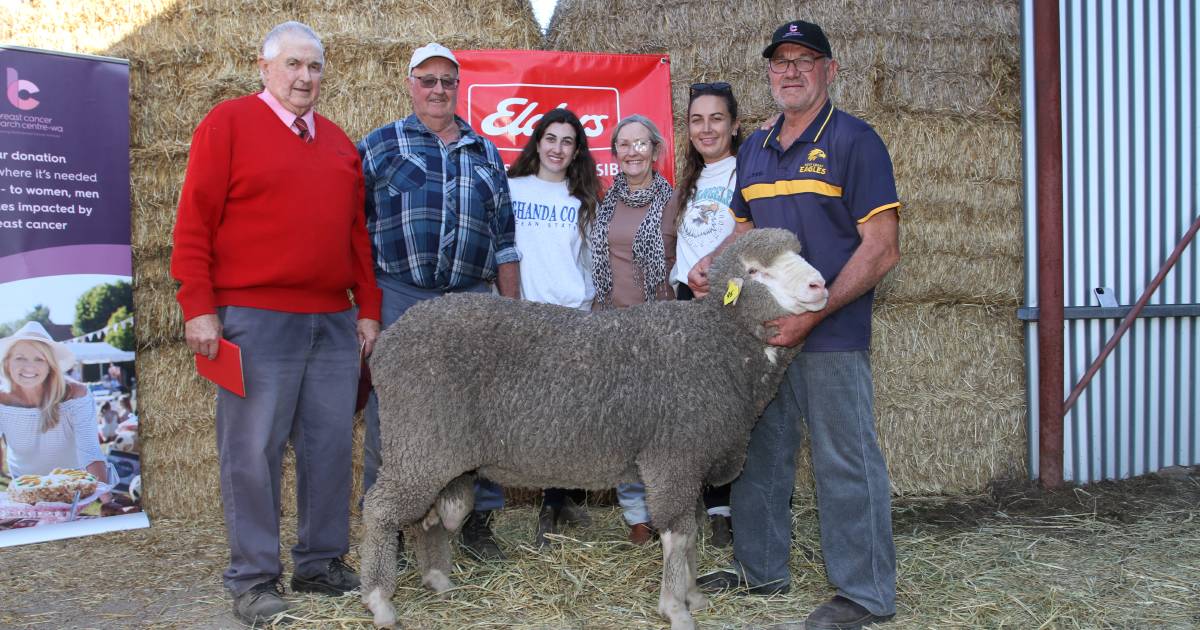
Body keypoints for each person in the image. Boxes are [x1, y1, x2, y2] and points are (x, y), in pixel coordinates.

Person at [170, 21, 382, 626]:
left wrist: (367, 310)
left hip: (331, 321)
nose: (304, 78)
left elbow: (355, 238)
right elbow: (194, 223)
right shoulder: (228, 124)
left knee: (328, 448)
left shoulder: (341, 142)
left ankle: (319, 562)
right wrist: (198, 307)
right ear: (264, 68)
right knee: (253, 451)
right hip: (255, 318)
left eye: (314, 67)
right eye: (292, 65)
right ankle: (254, 578)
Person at [690, 20, 900, 630]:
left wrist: (815, 313)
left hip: (830, 331)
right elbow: (745, 233)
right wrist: (714, 266)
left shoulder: (856, 141)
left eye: (804, 59)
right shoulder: (755, 147)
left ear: (829, 71)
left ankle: (864, 594)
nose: (790, 70)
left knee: (845, 457)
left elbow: (882, 247)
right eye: (780, 61)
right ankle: (760, 572)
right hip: (764, 338)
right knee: (761, 453)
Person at [358, 42, 519, 561]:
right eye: (427, 80)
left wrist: (511, 315)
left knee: (484, 411)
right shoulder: (380, 146)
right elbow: (352, 231)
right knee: (394, 414)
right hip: (401, 296)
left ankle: (478, 525)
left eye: (448, 80)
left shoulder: (485, 151)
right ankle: (388, 531)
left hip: (471, 298)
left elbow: (505, 241)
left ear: (459, 86)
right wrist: (364, 306)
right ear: (410, 84)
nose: (438, 89)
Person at [505, 108, 600, 546]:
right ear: (537, 142)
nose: (558, 148)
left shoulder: (583, 197)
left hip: (572, 319)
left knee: (570, 416)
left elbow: (589, 263)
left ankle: (557, 501)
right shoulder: (511, 189)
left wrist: (588, 311)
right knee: (533, 415)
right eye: (551, 138)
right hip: (525, 318)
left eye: (567, 141)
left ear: (576, 150)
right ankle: (547, 496)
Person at [590, 114, 678, 545]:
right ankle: (636, 516)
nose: (632, 152)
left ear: (655, 150)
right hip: (611, 328)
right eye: (624, 145)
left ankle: (667, 512)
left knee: (660, 428)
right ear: (615, 154)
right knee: (621, 428)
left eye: (640, 144)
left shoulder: (675, 201)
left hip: (658, 329)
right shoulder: (606, 203)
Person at [669, 80, 744, 548]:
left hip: (724, 302)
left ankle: (729, 510)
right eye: (697, 119)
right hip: (684, 304)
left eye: (717, 118)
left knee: (724, 413)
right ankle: (701, 509)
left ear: (735, 125)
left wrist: (719, 285)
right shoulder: (691, 179)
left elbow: (750, 233)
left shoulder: (750, 169)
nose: (707, 128)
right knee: (689, 414)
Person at [0, 321, 110, 486]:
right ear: (8, 363)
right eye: (20, 358)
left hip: (73, 487)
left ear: (50, 366)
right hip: (24, 488)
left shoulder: (76, 394)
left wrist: (107, 498)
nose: (29, 367)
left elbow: (90, 451)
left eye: (39, 359)